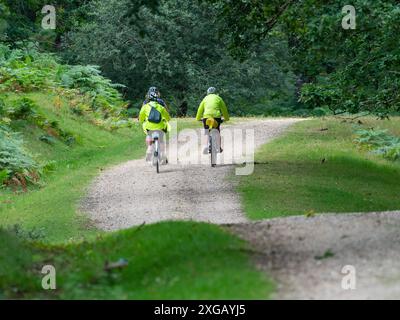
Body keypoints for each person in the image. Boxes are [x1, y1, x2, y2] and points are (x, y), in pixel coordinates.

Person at [139, 87, 171, 163]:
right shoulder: (161, 104)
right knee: (161, 140)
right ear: (157, 94)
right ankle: (163, 155)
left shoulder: (145, 104)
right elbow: (167, 114)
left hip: (149, 126)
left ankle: (149, 149)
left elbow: (141, 115)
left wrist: (141, 120)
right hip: (160, 126)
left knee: (148, 134)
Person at [196, 87, 230, 154]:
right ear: (215, 92)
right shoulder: (218, 98)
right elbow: (224, 109)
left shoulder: (205, 98)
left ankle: (207, 146)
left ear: (207, 93)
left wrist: (198, 118)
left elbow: (200, 109)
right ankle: (219, 147)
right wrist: (226, 118)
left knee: (207, 132)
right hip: (216, 117)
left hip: (206, 117)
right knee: (217, 131)